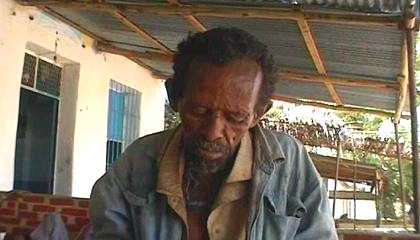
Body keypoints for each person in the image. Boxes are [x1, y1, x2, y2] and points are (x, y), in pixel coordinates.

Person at [90, 27, 338, 240]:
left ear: (259, 114)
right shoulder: (138, 162)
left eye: (236, 118)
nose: (212, 133)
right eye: (198, 111)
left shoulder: (290, 164)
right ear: (175, 98)